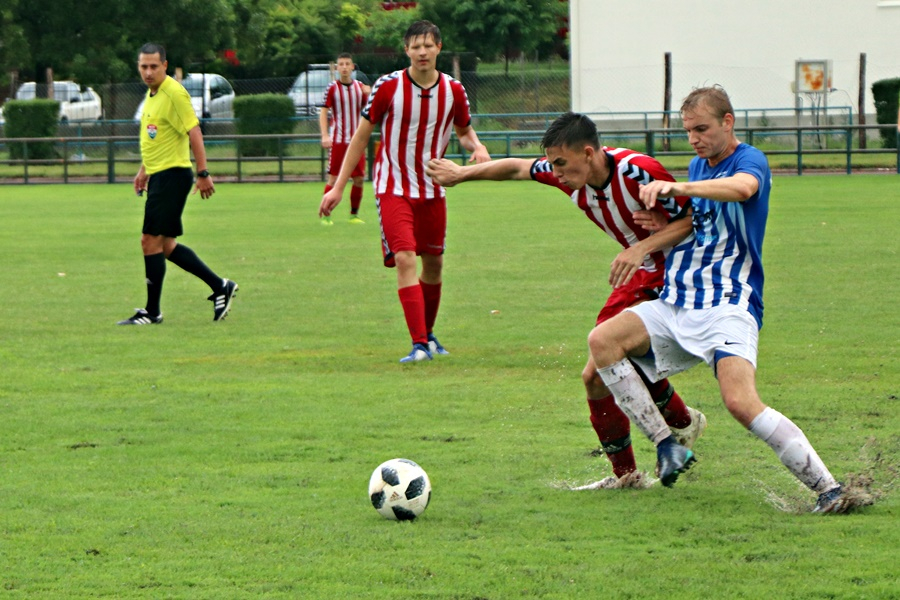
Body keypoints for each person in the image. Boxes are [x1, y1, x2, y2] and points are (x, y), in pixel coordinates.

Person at [588, 86, 854, 512]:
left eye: (702, 129)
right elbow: (698, 222)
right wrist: (659, 228)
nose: (694, 139)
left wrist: (680, 189)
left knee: (740, 403)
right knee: (603, 341)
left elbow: (743, 189)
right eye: (688, 130)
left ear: (728, 122)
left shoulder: (748, 160)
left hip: (727, 304)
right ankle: (666, 445)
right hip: (678, 300)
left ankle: (831, 489)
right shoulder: (699, 163)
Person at [426, 112, 706, 487]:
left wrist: (642, 247)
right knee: (595, 377)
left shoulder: (638, 172)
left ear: (588, 153)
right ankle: (631, 472)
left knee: (608, 362)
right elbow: (516, 168)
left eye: (561, 163)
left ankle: (679, 429)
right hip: (639, 275)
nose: (555, 171)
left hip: (677, 273)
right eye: (552, 163)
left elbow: (695, 220)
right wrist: (462, 174)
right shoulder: (569, 176)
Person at [319, 20, 491, 363]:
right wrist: (338, 186)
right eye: (415, 46)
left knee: (435, 263)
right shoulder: (388, 87)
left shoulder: (453, 91)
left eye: (428, 45)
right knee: (404, 258)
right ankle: (418, 344)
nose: (422, 52)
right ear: (406, 50)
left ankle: (427, 336)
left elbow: (464, 131)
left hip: (432, 188)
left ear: (438, 48)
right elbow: (361, 136)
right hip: (392, 187)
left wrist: (478, 148)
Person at [119, 43, 238, 326]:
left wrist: (204, 172)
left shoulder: (174, 93)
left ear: (165, 66)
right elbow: (158, 139)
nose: (148, 72)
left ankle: (152, 312)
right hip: (160, 175)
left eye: (153, 67)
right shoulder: (152, 95)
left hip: (172, 176)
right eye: (143, 66)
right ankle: (220, 285)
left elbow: (193, 131)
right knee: (166, 245)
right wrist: (143, 171)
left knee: (149, 241)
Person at [318, 52, 370, 226]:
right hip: (339, 140)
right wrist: (325, 135)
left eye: (348, 64)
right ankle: (325, 216)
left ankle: (353, 215)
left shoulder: (360, 87)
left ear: (352, 67)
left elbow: (371, 110)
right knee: (333, 178)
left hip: (356, 141)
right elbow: (324, 111)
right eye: (341, 64)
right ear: (337, 68)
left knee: (359, 179)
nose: (345, 67)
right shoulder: (332, 88)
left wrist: (369, 95)